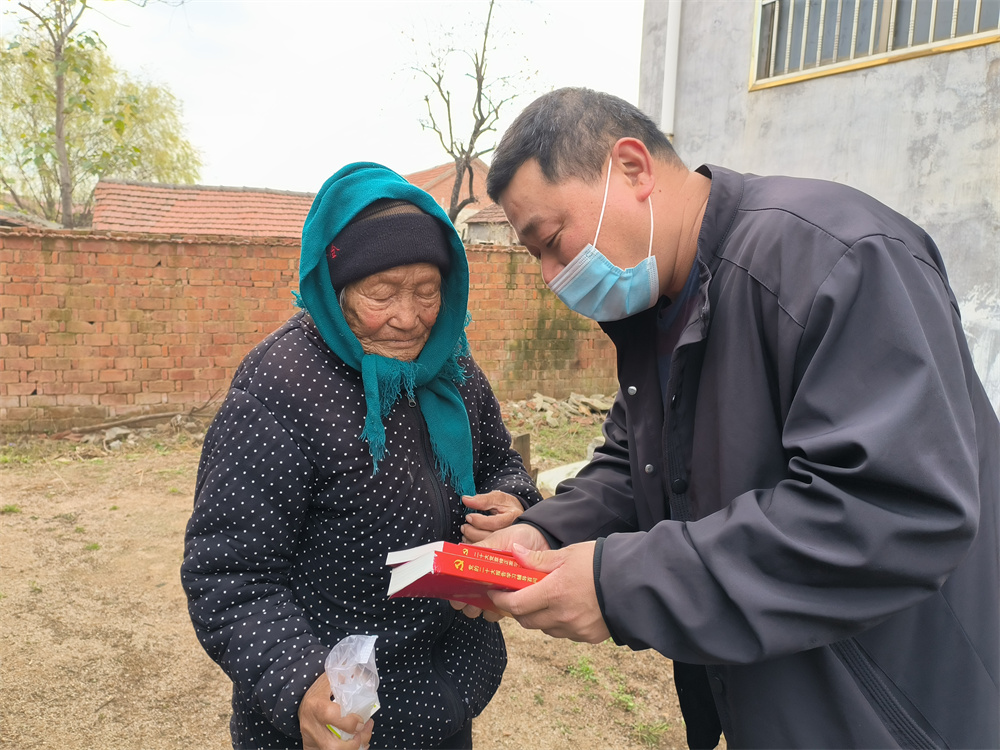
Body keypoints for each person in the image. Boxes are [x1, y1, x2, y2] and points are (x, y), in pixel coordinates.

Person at [472, 87, 999, 749]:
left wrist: (615, 583)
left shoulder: (834, 258)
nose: (553, 275)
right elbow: (637, 463)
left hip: (896, 712)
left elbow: (893, 510)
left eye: (552, 241)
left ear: (632, 168)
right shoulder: (657, 309)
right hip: (780, 704)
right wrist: (544, 535)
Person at [181, 162, 542, 750]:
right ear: (336, 287)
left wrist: (516, 503)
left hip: (443, 696)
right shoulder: (280, 388)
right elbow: (227, 574)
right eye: (382, 294)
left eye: (427, 292)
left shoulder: (452, 369)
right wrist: (299, 682)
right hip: (336, 719)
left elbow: (502, 462)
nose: (408, 317)